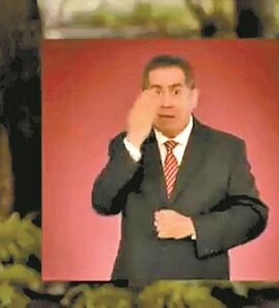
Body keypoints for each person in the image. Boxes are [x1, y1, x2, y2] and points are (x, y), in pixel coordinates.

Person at [90, 54, 268, 285]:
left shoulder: (227, 148)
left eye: (176, 91)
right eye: (156, 92)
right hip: (135, 286)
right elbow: (103, 203)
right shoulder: (125, 145)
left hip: (203, 288)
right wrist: (134, 138)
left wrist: (194, 227)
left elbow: (253, 214)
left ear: (193, 97)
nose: (166, 102)